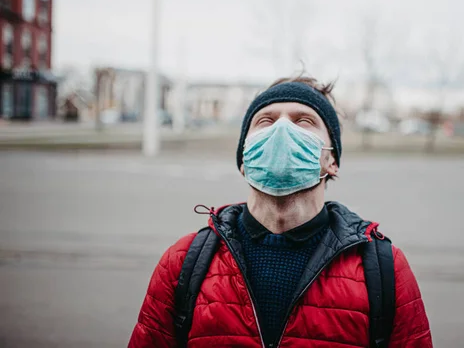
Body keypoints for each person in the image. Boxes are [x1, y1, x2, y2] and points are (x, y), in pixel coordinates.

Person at [128, 77, 432, 348]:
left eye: (304, 121)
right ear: (245, 159)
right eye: (265, 121)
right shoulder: (183, 263)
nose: (282, 129)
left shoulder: (383, 268)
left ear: (332, 160)